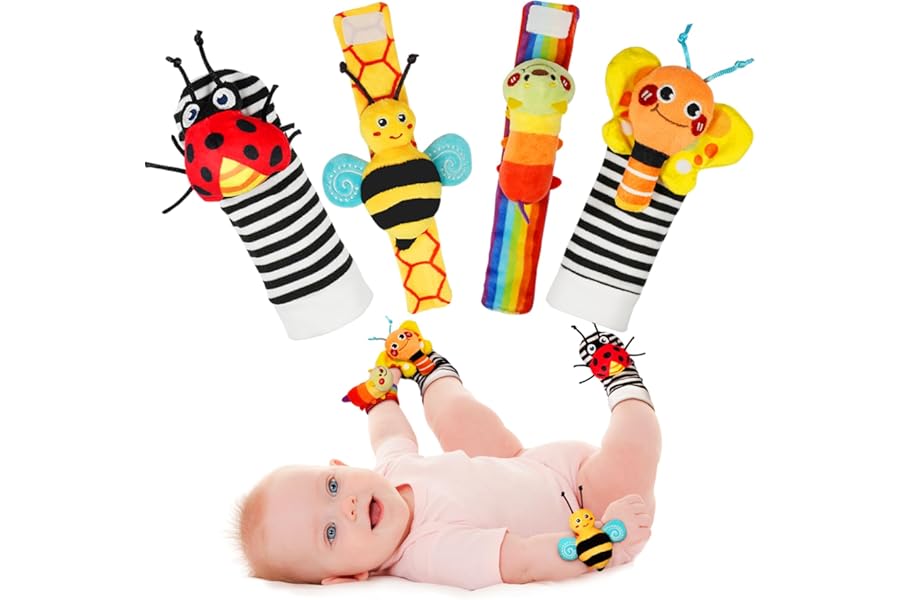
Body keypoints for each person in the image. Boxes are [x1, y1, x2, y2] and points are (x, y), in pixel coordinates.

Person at [237, 323, 660, 590]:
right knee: (632, 449)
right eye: (330, 532)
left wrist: (379, 398)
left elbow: (391, 434)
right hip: (587, 511)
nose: (346, 506)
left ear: (342, 468)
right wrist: (595, 544)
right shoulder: (432, 554)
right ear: (348, 577)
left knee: (458, 418)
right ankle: (625, 383)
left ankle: (427, 367)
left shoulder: (390, 471)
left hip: (523, 461)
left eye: (332, 487)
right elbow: (524, 561)